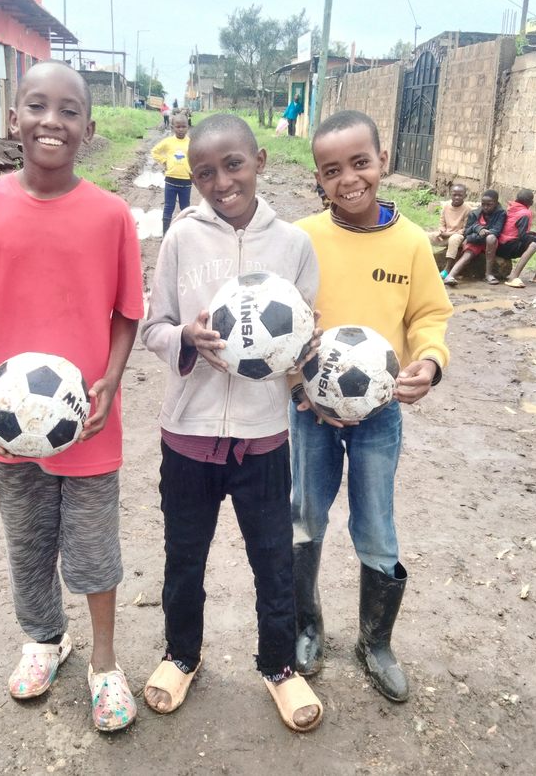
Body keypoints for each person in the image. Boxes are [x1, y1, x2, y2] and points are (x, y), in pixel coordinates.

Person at [0, 61, 144, 734]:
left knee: (94, 549)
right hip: (9, 427)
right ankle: (44, 640)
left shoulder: (111, 215)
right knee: (28, 544)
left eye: (69, 110)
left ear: (89, 127)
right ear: (13, 117)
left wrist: (111, 380)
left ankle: (105, 663)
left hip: (88, 424)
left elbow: (127, 312)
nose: (52, 121)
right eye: (37, 106)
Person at [141, 113, 325, 732]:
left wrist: (302, 351)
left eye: (233, 165)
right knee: (183, 557)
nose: (221, 182)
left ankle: (279, 666)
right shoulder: (180, 238)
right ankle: (181, 656)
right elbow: (153, 327)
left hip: (262, 438)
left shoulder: (294, 245)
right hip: (188, 435)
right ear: (192, 178)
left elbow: (302, 336)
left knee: (273, 560)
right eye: (204, 173)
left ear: (260, 161)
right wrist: (185, 339)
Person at [289, 110, 452, 703]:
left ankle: (375, 643)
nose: (348, 179)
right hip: (309, 412)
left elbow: (429, 315)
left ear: (383, 161)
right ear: (318, 177)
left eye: (360, 163)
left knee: (376, 525)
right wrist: (297, 384)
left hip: (380, 414)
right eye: (332, 170)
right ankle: (307, 629)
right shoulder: (302, 239)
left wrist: (429, 361)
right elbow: (282, 320)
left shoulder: (410, 242)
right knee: (304, 516)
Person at [443, 189, 507, 286]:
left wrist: (481, 234)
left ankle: (488, 274)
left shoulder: (501, 213)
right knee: (467, 255)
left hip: (489, 243)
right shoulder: (475, 213)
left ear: (496, 203)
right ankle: (450, 276)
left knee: (491, 238)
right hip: (475, 241)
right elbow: (467, 231)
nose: (485, 207)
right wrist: (478, 229)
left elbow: (496, 231)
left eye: (489, 204)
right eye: (483, 204)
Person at [501, 189, 536, 287]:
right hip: (507, 246)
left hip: (505, 243)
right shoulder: (525, 213)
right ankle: (513, 277)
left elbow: (515, 230)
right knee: (534, 244)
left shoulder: (512, 207)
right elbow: (523, 237)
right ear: (530, 202)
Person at [151, 113, 192, 233]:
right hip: (170, 181)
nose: (181, 129)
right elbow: (155, 151)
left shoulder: (191, 143)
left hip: (186, 182)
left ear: (188, 127)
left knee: (185, 209)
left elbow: (198, 157)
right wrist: (164, 161)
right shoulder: (168, 142)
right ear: (172, 127)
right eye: (178, 127)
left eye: (183, 126)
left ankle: (186, 234)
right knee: (169, 207)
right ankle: (165, 235)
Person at [430, 183, 469, 277]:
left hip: (458, 237)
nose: (457, 197)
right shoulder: (446, 206)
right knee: (425, 236)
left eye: (460, 195)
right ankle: (422, 260)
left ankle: (447, 269)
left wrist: (448, 234)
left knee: (454, 239)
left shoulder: (467, 209)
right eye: (454, 195)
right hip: (445, 235)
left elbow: (465, 230)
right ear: (450, 194)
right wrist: (441, 231)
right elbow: (442, 223)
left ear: (465, 196)